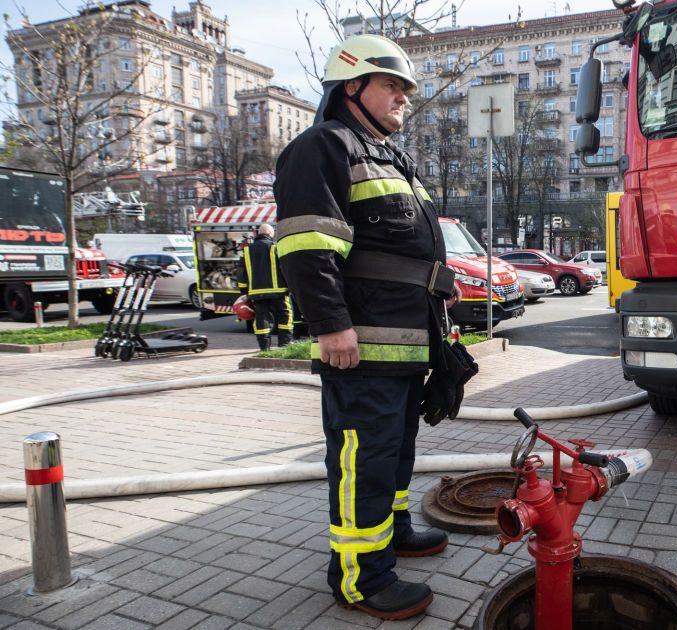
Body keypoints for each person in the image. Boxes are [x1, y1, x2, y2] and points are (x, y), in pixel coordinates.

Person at [274, 34, 456, 622]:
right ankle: (360, 577)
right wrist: (331, 326)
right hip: (362, 348)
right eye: (391, 85)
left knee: (395, 454)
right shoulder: (323, 147)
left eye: (405, 88)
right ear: (351, 86)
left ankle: (393, 531)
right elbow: (306, 246)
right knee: (363, 461)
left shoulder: (388, 156)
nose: (403, 97)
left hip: (404, 347)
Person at [236, 223, 293, 351]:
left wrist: (244, 292)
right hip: (279, 292)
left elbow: (241, 273)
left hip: (256, 293)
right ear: (270, 234)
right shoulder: (275, 248)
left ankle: (264, 347)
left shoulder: (246, 251)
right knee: (285, 316)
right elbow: (286, 269)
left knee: (261, 319)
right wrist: (290, 287)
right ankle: (284, 345)